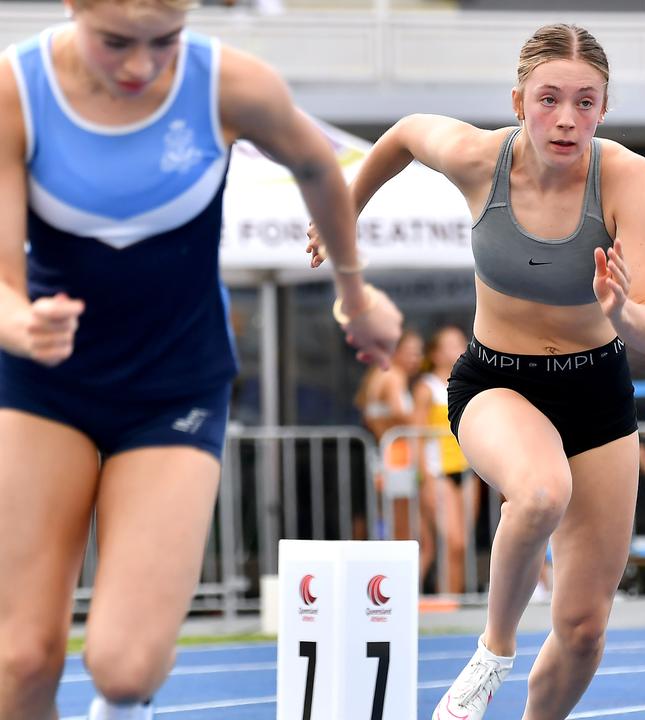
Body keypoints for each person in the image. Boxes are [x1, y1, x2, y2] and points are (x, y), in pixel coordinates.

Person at [0, 0, 402, 716]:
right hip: (44, 383)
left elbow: (318, 168)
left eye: (166, 42)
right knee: (22, 658)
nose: (141, 66)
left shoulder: (231, 86)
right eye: (116, 42)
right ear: (73, 9)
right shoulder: (17, 91)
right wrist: (20, 325)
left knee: (125, 668)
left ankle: (137, 675)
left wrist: (354, 292)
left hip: (174, 389)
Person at [309, 22, 645, 720]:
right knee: (538, 494)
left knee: (585, 629)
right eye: (549, 98)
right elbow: (408, 132)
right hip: (499, 381)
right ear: (517, 100)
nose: (566, 119)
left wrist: (620, 309)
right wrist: (349, 206)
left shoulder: (626, 178)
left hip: (597, 388)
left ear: (604, 108)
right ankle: (492, 654)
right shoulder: (479, 159)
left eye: (586, 102)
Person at [357, 330, 432, 575]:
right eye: (411, 351)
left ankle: (401, 586)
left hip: (386, 459)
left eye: (419, 352)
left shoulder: (377, 376)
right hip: (397, 460)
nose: (416, 358)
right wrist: (428, 415)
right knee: (405, 532)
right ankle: (400, 588)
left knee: (401, 529)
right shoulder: (393, 376)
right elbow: (401, 412)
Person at [413, 324, 474, 595]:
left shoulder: (468, 382)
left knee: (462, 546)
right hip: (437, 472)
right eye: (450, 344)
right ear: (436, 354)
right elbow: (415, 434)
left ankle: (454, 602)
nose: (458, 349)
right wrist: (422, 475)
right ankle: (444, 603)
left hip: (467, 470)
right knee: (452, 541)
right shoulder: (427, 388)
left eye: (461, 342)